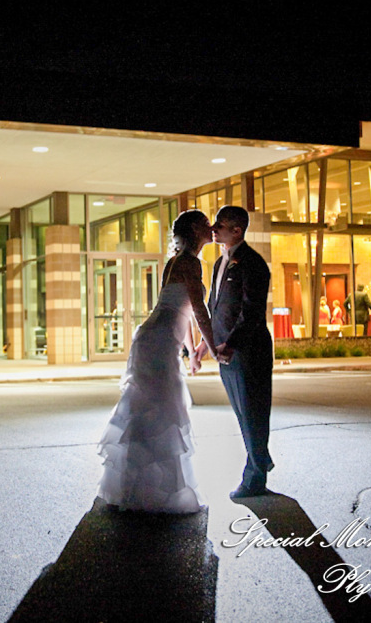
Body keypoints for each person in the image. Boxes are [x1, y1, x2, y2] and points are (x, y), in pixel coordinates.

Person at [97, 210, 217, 513]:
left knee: (153, 410)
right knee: (162, 411)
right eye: (205, 224)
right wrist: (214, 345)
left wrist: (191, 352)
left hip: (156, 338)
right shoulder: (189, 262)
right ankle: (158, 491)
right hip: (159, 341)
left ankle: (141, 487)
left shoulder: (174, 262)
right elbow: (198, 308)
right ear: (194, 231)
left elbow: (182, 312)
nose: (210, 227)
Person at [192, 206, 274, 499]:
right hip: (226, 351)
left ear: (237, 230)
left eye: (220, 225)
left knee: (253, 412)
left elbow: (251, 312)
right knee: (243, 414)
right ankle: (260, 458)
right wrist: (206, 343)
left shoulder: (252, 263)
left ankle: (255, 478)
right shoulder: (219, 263)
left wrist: (232, 344)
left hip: (248, 352)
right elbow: (217, 309)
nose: (214, 229)